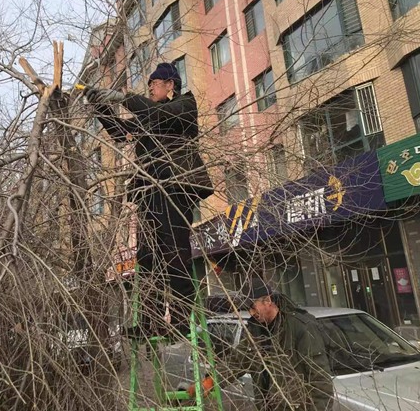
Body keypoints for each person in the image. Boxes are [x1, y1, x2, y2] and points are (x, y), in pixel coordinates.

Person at [84, 63, 213, 339]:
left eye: (155, 82)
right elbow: (120, 132)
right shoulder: (149, 116)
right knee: (146, 256)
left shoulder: (184, 106)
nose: (151, 87)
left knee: (174, 253)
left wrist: (124, 97)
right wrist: (99, 106)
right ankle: (148, 320)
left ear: (170, 85)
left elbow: (157, 112)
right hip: (149, 191)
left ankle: (178, 320)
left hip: (175, 187)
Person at [190, 279, 334, 410]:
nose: (251, 313)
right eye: (248, 309)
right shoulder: (256, 331)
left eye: (253, 307)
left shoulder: (301, 327)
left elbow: (319, 379)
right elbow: (237, 361)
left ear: (267, 301)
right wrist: (211, 381)